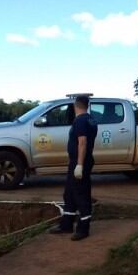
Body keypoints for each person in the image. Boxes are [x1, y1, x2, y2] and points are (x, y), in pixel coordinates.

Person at [50, 95, 98, 241]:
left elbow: (82, 142)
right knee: (69, 193)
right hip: (79, 161)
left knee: (81, 194)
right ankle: (67, 224)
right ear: (87, 105)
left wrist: (79, 165)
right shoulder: (91, 119)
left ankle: (83, 229)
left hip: (80, 162)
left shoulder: (80, 121)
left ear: (75, 105)